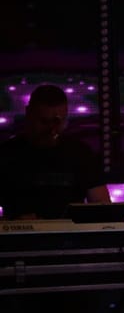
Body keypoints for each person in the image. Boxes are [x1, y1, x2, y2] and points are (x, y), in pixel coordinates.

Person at [0, 83, 111, 219]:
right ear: (28, 113)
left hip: (70, 231)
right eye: (44, 122)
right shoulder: (7, 154)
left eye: (57, 122)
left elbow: (102, 205)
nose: (52, 129)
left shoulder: (80, 153)